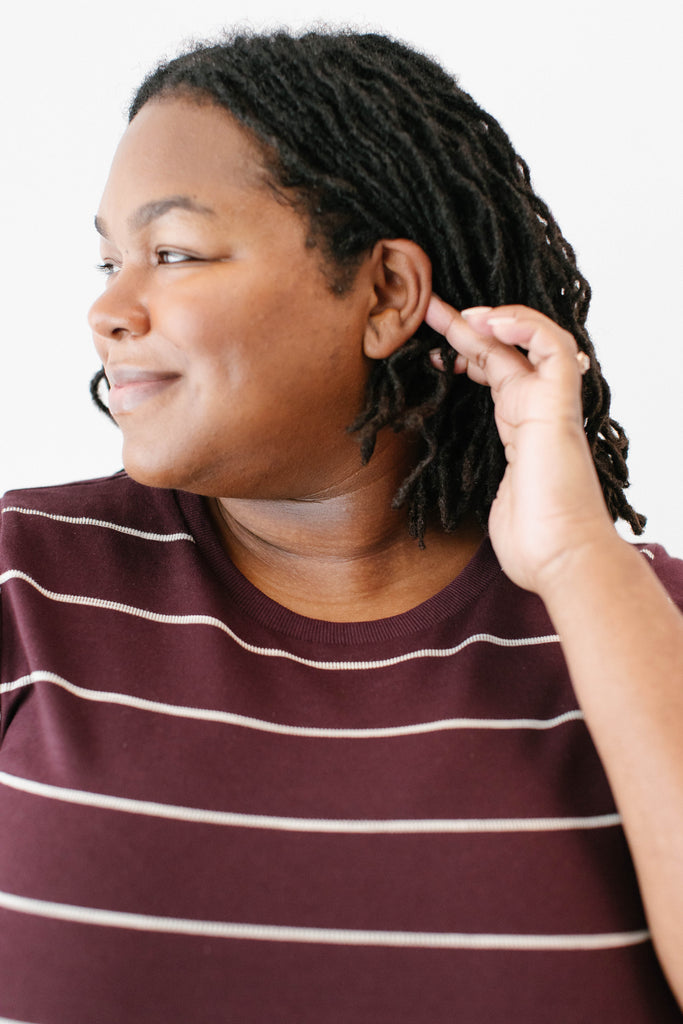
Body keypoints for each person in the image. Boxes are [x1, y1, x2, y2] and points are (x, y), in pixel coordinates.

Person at [1, 28, 681, 1023]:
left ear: (385, 293)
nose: (109, 307)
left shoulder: (640, 623)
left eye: (172, 253)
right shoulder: (22, 583)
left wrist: (578, 556)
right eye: (108, 260)